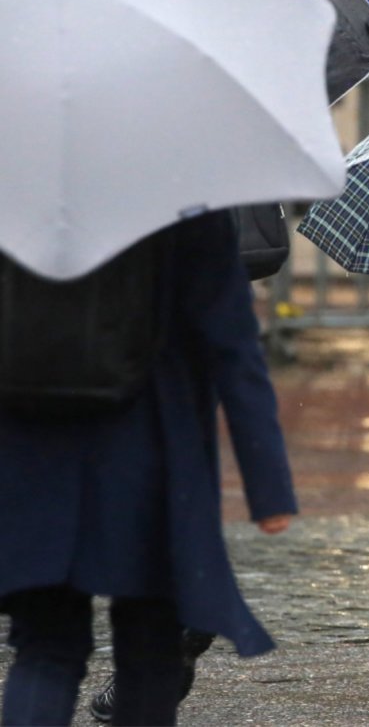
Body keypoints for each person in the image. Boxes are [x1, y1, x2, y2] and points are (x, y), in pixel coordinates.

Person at [0, 212, 298, 727]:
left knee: (45, 647)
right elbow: (232, 348)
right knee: (151, 644)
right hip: (151, 456)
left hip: (31, 453)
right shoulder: (185, 205)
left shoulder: (18, 196)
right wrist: (268, 487)